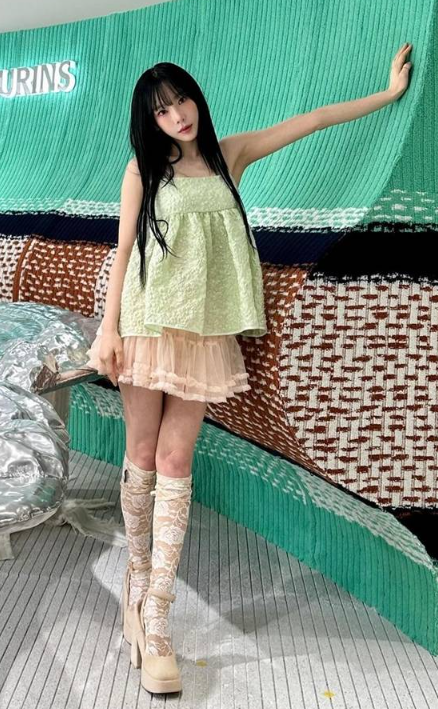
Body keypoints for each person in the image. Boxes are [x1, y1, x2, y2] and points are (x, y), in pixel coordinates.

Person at [84, 45, 412, 695]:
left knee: (177, 462)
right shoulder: (142, 170)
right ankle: (137, 584)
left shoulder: (229, 155)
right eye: (162, 110)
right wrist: (107, 329)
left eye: (181, 100)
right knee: (142, 455)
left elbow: (312, 121)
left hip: (206, 332)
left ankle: (157, 621)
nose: (177, 115)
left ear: (196, 99)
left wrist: (388, 93)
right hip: (147, 325)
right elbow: (123, 251)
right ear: (149, 121)